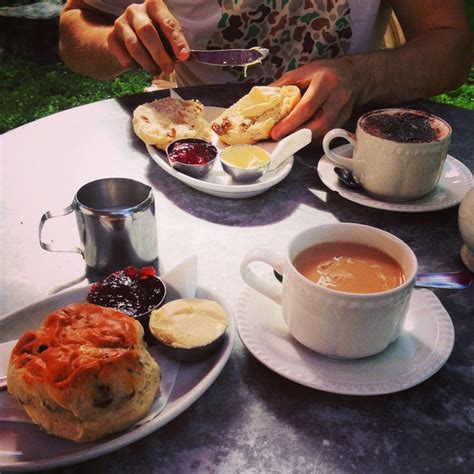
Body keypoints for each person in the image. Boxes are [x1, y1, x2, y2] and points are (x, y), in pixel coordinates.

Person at [59, 0, 470, 141]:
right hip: (202, 153)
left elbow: (451, 47)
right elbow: (77, 27)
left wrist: (360, 77)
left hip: (344, 154)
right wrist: (119, 41)